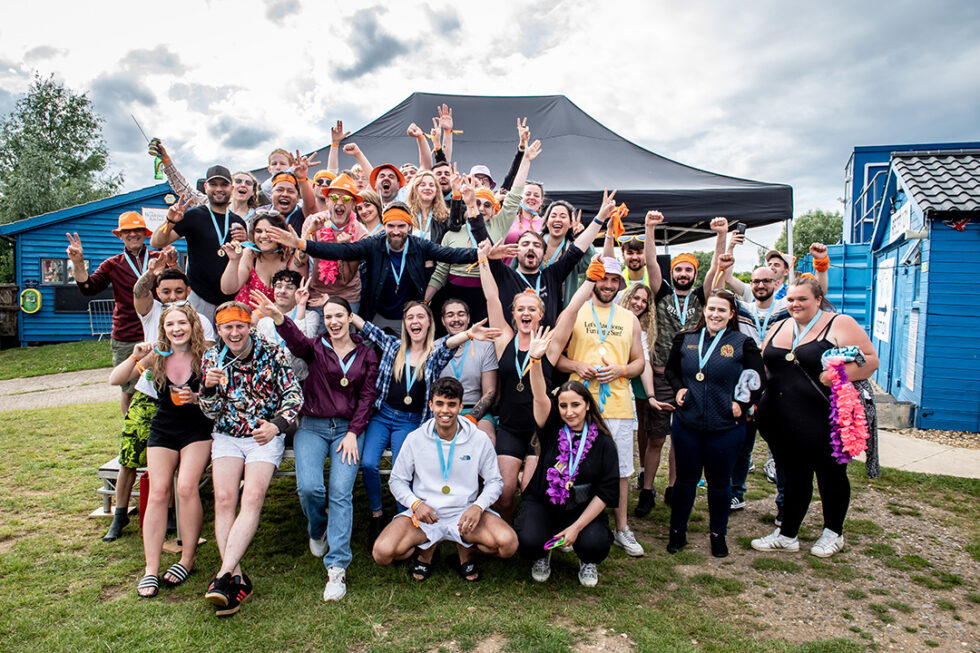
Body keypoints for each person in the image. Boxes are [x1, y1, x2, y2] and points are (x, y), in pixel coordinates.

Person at [251, 291, 379, 602]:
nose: (333, 321)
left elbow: (367, 397)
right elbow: (295, 341)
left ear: (350, 318)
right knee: (309, 488)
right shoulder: (315, 347)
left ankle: (337, 568)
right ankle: (317, 527)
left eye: (339, 315)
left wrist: (354, 432)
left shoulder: (367, 354)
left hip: (348, 430)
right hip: (312, 425)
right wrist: (279, 318)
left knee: (340, 492)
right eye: (328, 316)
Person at [351, 302, 501, 542]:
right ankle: (377, 513)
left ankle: (406, 519)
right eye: (410, 317)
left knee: (403, 470)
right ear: (405, 323)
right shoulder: (393, 346)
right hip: (383, 416)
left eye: (420, 316)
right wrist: (346, 313)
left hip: (409, 421)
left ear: (429, 322)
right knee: (368, 463)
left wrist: (469, 334)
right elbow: (369, 329)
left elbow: (450, 343)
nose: (415, 321)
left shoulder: (434, 353)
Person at [751, 278, 878, 558]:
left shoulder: (839, 323)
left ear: (818, 300)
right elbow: (764, 364)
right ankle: (788, 535)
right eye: (791, 299)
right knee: (794, 477)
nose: (795, 304)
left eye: (802, 299)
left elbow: (870, 360)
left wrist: (837, 375)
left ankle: (833, 533)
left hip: (824, 420)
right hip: (781, 421)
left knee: (831, 476)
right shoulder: (780, 326)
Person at [476, 245, 602, 523]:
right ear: (513, 314)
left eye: (532, 309)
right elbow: (492, 296)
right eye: (521, 309)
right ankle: (507, 530)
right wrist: (483, 259)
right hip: (510, 427)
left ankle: (528, 529)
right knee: (504, 493)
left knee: (530, 490)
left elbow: (571, 309)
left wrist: (592, 278)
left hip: (539, 429)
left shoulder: (550, 343)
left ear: (540, 315)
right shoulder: (504, 340)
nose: (526, 313)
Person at [199, 301, 303, 617]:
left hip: (263, 434)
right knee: (224, 499)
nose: (234, 333)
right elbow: (210, 412)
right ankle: (236, 577)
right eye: (227, 327)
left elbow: (294, 396)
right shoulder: (211, 358)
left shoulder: (272, 352)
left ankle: (222, 576)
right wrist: (207, 389)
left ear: (250, 327)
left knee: (253, 497)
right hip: (228, 433)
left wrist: (277, 425)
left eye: (240, 326)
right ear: (219, 330)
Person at [265, 202, 511, 329]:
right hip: (376, 314)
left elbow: (451, 254)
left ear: (409, 227)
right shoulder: (374, 244)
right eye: (390, 226)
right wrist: (301, 243)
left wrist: (484, 254)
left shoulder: (419, 245)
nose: (395, 231)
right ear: (385, 226)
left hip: (407, 316)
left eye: (401, 226)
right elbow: (341, 250)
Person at [108, 303, 213, 597]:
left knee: (187, 488)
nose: (177, 329)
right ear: (163, 329)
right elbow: (116, 379)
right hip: (164, 428)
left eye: (182, 323)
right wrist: (135, 356)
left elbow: (222, 395)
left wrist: (198, 397)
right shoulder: (158, 355)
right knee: (157, 492)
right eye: (170, 325)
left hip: (197, 429)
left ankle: (187, 558)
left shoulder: (206, 355)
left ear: (192, 325)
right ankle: (150, 569)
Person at [373, 377, 517, 582]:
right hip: (425, 516)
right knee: (382, 553)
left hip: (465, 514)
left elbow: (495, 481)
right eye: (439, 404)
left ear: (460, 406)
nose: (445, 411)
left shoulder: (479, 439)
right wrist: (415, 504)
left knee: (508, 544)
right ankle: (426, 550)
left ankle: (465, 551)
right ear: (431, 405)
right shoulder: (415, 438)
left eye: (451, 404)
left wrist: (478, 507)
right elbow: (396, 480)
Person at [516, 328, 621, 587]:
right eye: (563, 405)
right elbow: (539, 395)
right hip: (544, 503)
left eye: (575, 405)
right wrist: (535, 360)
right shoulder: (551, 427)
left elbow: (606, 492)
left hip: (581, 509)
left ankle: (586, 559)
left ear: (587, 405)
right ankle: (543, 552)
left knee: (595, 544)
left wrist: (576, 528)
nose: (569, 412)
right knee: (529, 540)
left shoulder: (604, 442)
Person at [664, 290, 765, 557]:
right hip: (687, 424)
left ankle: (718, 534)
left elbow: (759, 379)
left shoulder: (742, 343)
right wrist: (678, 388)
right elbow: (671, 370)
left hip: (726, 427)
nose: (715, 314)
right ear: (704, 310)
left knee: (720, 484)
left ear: (731, 314)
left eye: (722, 310)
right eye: (711, 309)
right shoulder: (685, 339)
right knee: (685, 480)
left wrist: (742, 403)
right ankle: (677, 531)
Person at [559, 256, 647, 557]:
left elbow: (639, 362)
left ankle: (622, 528)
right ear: (594, 279)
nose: (608, 285)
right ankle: (571, 524)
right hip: (578, 405)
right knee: (574, 464)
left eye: (614, 280)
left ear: (620, 284)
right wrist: (577, 365)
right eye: (603, 278)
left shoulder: (629, 318)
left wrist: (621, 370)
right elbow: (555, 357)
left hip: (618, 404)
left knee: (620, 470)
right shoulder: (575, 311)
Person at [644, 212, 726, 505]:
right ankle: (647, 489)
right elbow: (651, 263)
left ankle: (674, 488)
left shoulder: (702, 298)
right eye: (678, 269)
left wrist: (721, 235)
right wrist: (649, 228)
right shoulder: (662, 292)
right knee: (656, 438)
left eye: (688, 270)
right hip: (661, 376)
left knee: (681, 438)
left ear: (694, 273)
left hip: (691, 378)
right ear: (672, 272)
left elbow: (717, 267)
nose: (682, 274)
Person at [711, 250, 790, 518]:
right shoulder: (743, 309)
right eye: (756, 281)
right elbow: (717, 292)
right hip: (746, 387)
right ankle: (736, 493)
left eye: (766, 281)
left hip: (778, 387)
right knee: (742, 446)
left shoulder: (785, 308)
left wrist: (822, 266)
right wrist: (723, 267)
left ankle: (784, 502)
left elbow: (819, 293)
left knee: (780, 449)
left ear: (776, 283)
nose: (760, 285)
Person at [67, 212, 161, 415]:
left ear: (145, 233)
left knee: (160, 386)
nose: (133, 234)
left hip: (158, 332)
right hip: (128, 334)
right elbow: (88, 287)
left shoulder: (159, 259)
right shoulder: (112, 264)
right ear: (120, 235)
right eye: (127, 231)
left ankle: (156, 429)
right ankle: (130, 429)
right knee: (129, 389)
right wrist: (78, 264)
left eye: (137, 230)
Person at [488, 187, 610, 328]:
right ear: (546, 221)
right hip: (520, 317)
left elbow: (580, 250)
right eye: (553, 215)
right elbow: (510, 271)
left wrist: (599, 219)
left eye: (563, 216)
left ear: (571, 223)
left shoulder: (555, 271)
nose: (531, 247)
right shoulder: (530, 244)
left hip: (556, 316)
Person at [149, 166, 248, 324]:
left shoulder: (238, 222)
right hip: (199, 295)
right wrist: (170, 221)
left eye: (224, 184)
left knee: (231, 338)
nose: (219, 189)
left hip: (231, 297)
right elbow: (156, 242)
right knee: (199, 337)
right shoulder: (194, 215)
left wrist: (246, 240)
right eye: (214, 184)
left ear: (232, 188)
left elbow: (245, 258)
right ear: (206, 187)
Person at [613, 283, 673, 519]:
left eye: (644, 301)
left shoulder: (642, 329)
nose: (638, 303)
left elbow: (644, 362)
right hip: (604, 382)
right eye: (635, 298)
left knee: (637, 429)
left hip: (628, 381)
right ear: (626, 297)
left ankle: (638, 476)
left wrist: (651, 396)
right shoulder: (610, 317)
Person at [302, 174, 370, 316]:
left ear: (353, 204)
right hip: (317, 296)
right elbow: (300, 260)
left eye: (346, 199)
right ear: (327, 200)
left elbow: (346, 279)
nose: (339, 202)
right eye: (334, 197)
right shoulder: (312, 221)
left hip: (348, 299)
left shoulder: (361, 233)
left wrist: (345, 248)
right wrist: (310, 232)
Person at [147, 139, 261, 221]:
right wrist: (166, 160)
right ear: (230, 187)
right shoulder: (209, 204)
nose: (243, 185)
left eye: (248, 183)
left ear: (253, 191)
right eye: (238, 181)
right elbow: (184, 189)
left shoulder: (258, 216)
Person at [437, 298, 498, 441]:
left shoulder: (485, 346)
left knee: (486, 438)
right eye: (450, 315)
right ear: (443, 320)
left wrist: (471, 418)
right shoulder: (435, 348)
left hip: (475, 409)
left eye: (461, 314)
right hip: (443, 409)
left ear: (468, 318)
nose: (456, 319)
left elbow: (490, 392)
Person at [220, 211, 304, 311]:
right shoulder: (249, 254)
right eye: (258, 231)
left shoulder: (293, 259)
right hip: (245, 316)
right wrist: (234, 260)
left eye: (269, 231)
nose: (263, 236)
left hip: (278, 318)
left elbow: (298, 298)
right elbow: (228, 289)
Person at [254, 271, 321, 382]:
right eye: (278, 286)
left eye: (289, 287)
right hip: (272, 381)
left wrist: (301, 305)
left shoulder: (311, 316)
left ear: (298, 291)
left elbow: (304, 347)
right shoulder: (263, 321)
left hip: (300, 381)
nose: (282, 291)